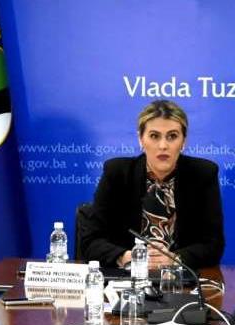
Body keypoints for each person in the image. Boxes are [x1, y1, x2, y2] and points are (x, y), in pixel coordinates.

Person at [79, 100, 224, 269]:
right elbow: (90, 241)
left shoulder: (203, 174)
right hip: (127, 277)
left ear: (183, 141)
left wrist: (174, 259)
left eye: (172, 136)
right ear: (141, 139)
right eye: (154, 136)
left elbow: (214, 245)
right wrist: (129, 257)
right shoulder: (117, 173)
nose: (163, 146)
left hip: (178, 279)